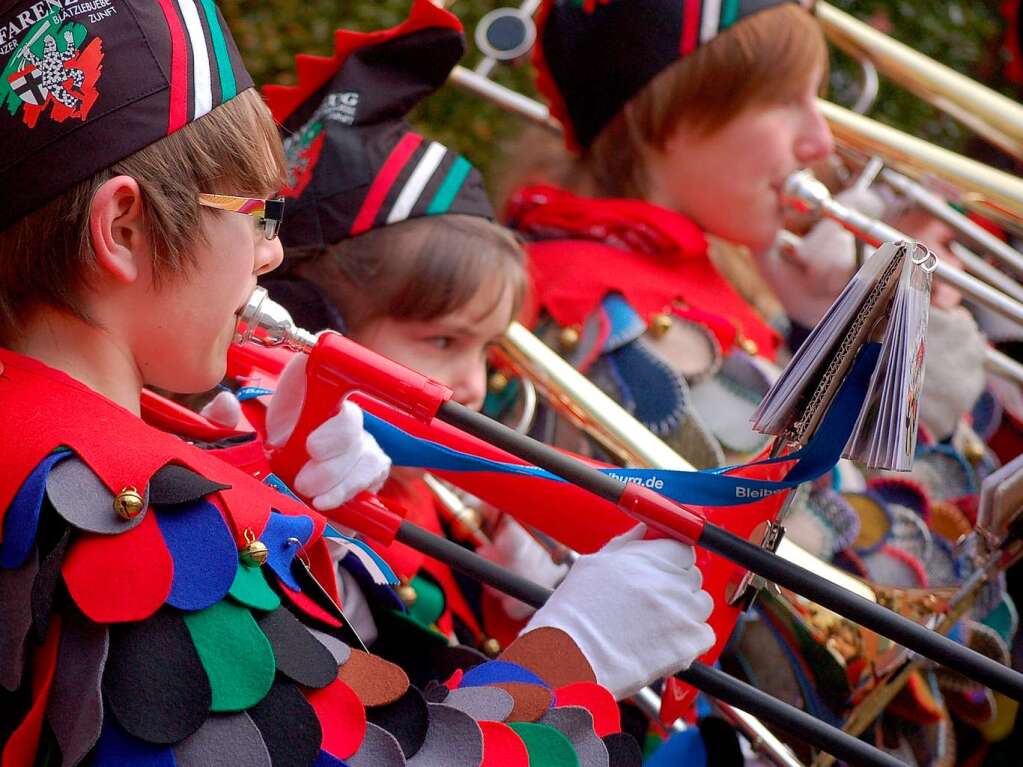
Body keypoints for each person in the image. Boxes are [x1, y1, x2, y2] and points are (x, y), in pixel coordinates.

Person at [0, 1, 715, 763]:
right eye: (260, 215)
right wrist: (576, 655)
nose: (270, 255)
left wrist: (273, 499)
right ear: (124, 230)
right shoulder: (127, 511)